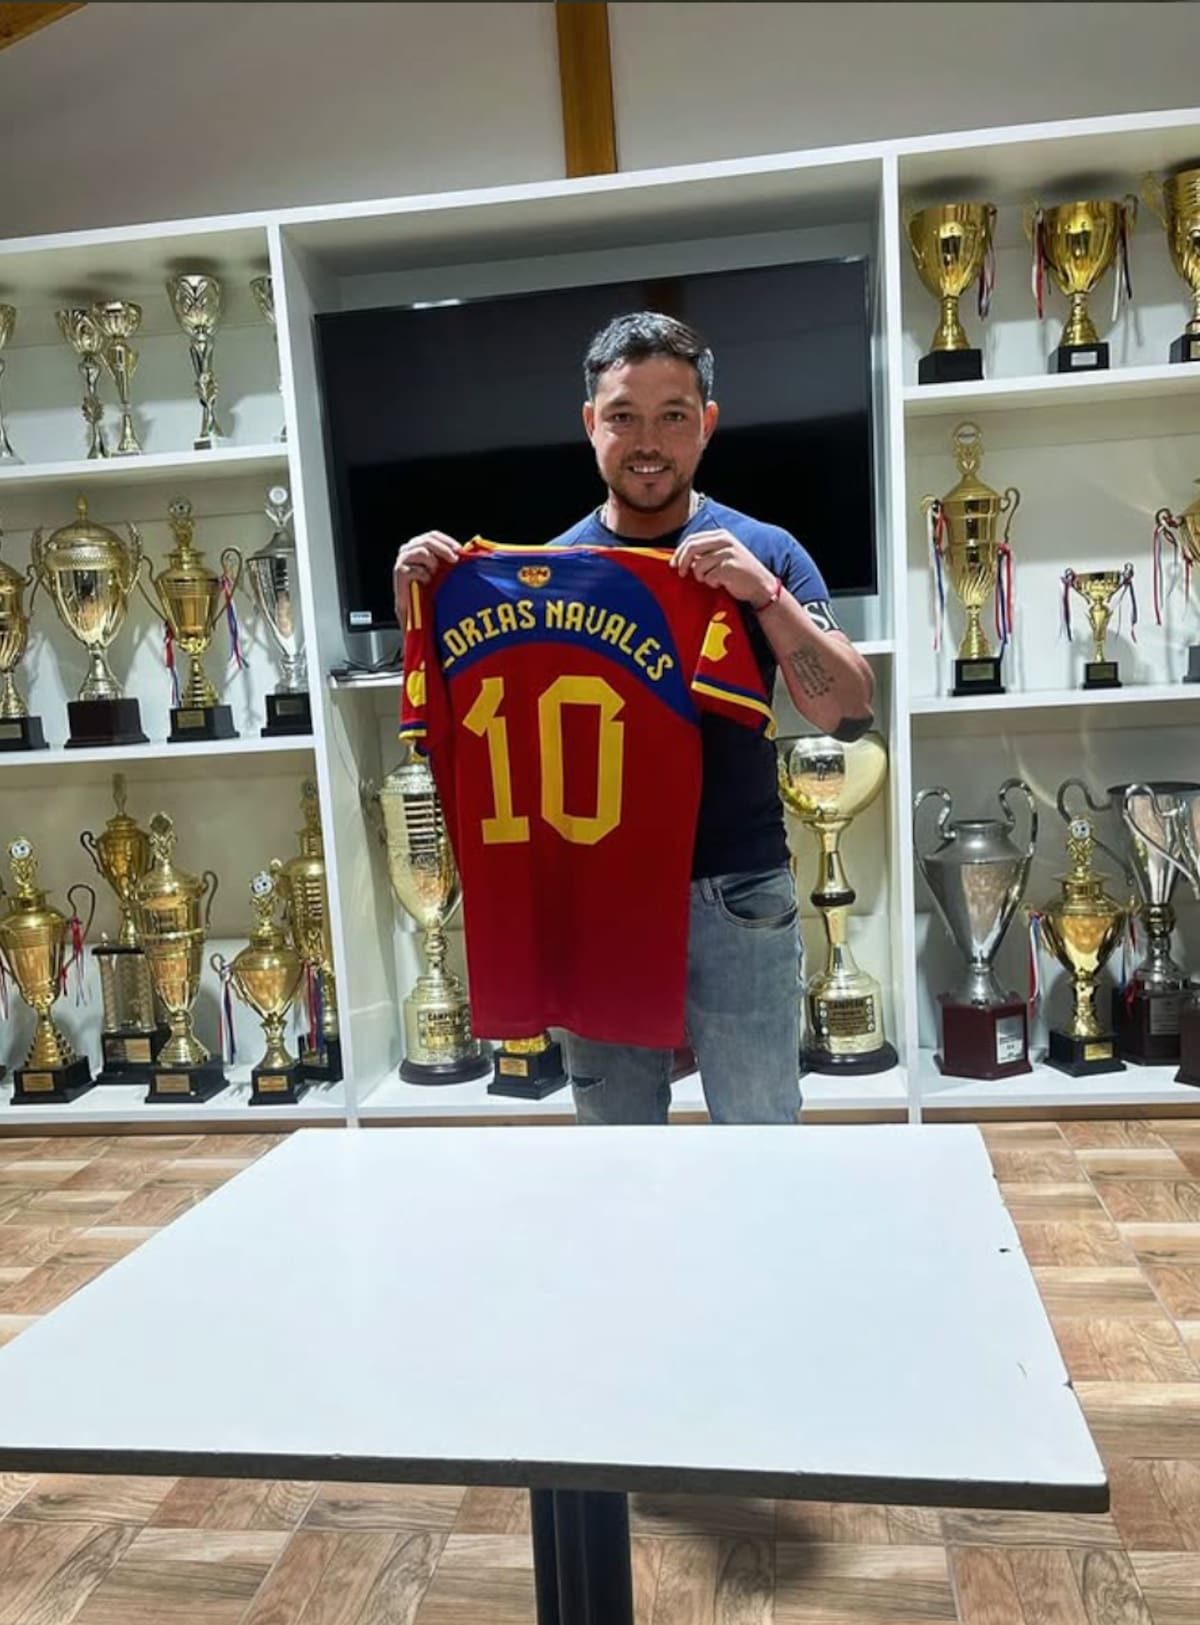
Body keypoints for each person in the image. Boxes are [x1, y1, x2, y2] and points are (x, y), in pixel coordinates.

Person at [393, 310, 875, 1126]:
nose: (648, 442)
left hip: (736, 890)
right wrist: (423, 601)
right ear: (591, 423)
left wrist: (765, 596)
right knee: (616, 1151)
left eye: (673, 416)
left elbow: (849, 711)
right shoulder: (546, 576)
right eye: (624, 416)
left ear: (707, 423)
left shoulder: (766, 551)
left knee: (762, 1137)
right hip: (599, 897)